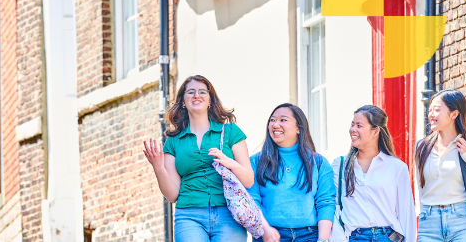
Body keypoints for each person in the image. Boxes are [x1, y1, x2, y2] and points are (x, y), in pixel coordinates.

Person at [142, 75, 254, 242]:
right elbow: (172, 195)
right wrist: (158, 168)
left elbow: (248, 180)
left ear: (210, 100)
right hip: (189, 216)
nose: (197, 95)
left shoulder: (231, 132)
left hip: (228, 214)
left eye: (203, 91)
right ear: (182, 101)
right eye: (191, 92)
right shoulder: (173, 142)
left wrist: (228, 162)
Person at [414, 89, 466, 242]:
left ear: (454, 114)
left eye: (437, 110)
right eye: (430, 110)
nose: (431, 115)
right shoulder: (421, 147)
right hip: (429, 223)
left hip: (461, 221)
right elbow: (421, 190)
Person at [248, 103, 335, 242]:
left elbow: (325, 202)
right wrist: (265, 230)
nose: (275, 125)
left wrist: (323, 239)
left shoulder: (318, 162)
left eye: (283, 120)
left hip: (309, 236)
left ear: (298, 129)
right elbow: (252, 200)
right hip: (269, 235)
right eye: (272, 120)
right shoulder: (256, 161)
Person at [330, 105, 416, 242]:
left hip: (388, 237)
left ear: (375, 131)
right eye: (352, 125)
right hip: (354, 237)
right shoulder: (340, 165)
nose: (353, 129)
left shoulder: (396, 167)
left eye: (359, 125)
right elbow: (332, 206)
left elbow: (406, 214)